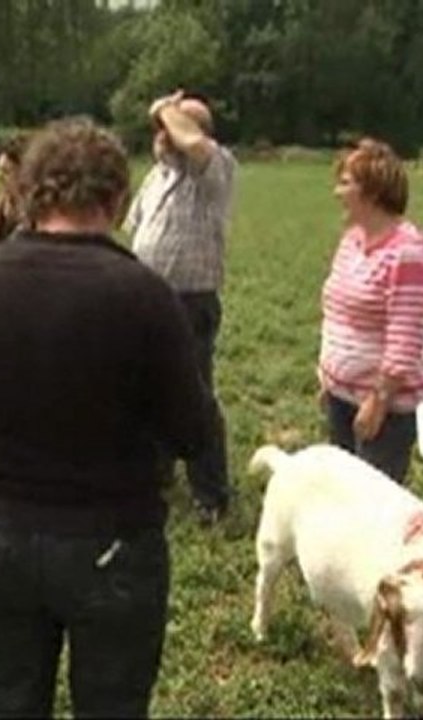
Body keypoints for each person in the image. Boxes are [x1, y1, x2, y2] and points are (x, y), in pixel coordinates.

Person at [0, 118, 217, 718]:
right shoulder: (145, 295)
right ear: (118, 199)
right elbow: (194, 432)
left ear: (31, 194)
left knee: (8, 705)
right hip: (113, 542)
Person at [122, 89, 236, 526]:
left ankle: (211, 494)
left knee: (194, 396)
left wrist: (161, 107)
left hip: (190, 301)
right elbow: (133, 227)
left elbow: (192, 144)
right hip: (147, 299)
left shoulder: (215, 167)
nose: (161, 134)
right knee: (147, 392)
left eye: (170, 126)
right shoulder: (158, 176)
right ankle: (157, 473)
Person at [318, 138, 423, 484]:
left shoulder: (408, 252)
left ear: (371, 192)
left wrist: (379, 400)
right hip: (342, 395)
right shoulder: (352, 240)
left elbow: (406, 337)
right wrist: (330, 378)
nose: (336, 192)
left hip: (383, 406)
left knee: (371, 498)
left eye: (345, 183)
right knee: (341, 488)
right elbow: (337, 313)